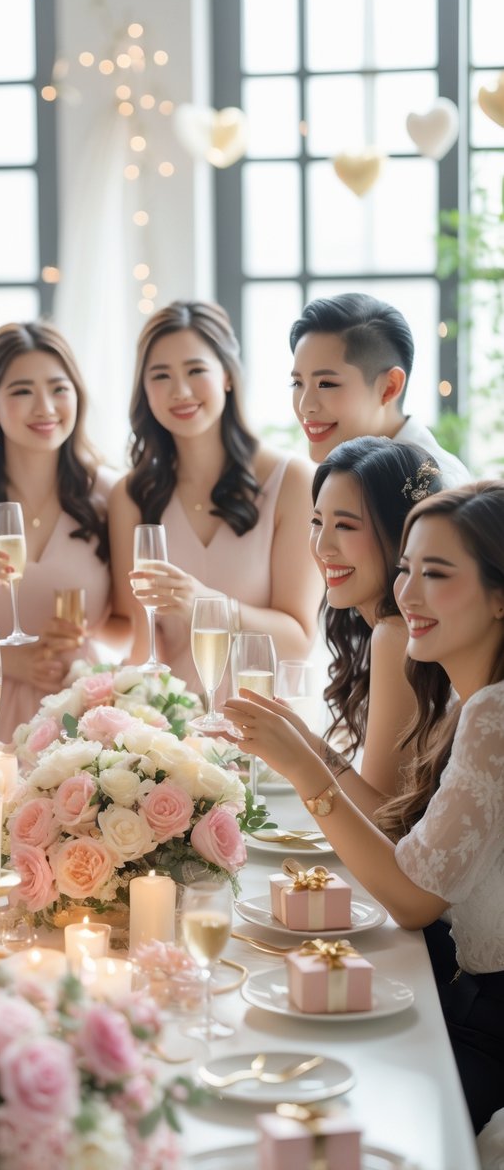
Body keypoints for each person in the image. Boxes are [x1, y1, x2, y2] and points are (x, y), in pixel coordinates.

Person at [224, 482, 504, 1134]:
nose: (407, 594)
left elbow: (412, 898)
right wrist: (308, 751)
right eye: (406, 568)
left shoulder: (492, 712)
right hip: (470, 998)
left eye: (436, 574)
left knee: (305, 1098)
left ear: (499, 597)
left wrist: (303, 769)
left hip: (486, 1022)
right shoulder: (477, 700)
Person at [108, 300, 322, 696]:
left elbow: (297, 642)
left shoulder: (291, 482)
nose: (181, 391)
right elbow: (142, 646)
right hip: (171, 738)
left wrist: (204, 602)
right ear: (145, 390)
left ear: (226, 375)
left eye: (195, 370)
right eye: (161, 376)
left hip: (262, 729)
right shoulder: (131, 496)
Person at [0, 321, 118, 743]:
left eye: (58, 388)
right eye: (22, 391)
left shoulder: (111, 495)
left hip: (81, 713)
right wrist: (10, 657)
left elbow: (128, 622)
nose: (45, 406)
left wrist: (81, 639)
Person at [287, 436, 444, 800]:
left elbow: (384, 822)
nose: (322, 547)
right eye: (316, 521)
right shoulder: (386, 624)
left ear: (401, 536)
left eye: (345, 526)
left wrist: (303, 750)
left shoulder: (397, 632)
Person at [289, 291, 471, 486]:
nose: (305, 406)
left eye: (326, 384)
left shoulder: (433, 487)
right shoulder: (344, 471)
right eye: (297, 383)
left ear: (389, 387)